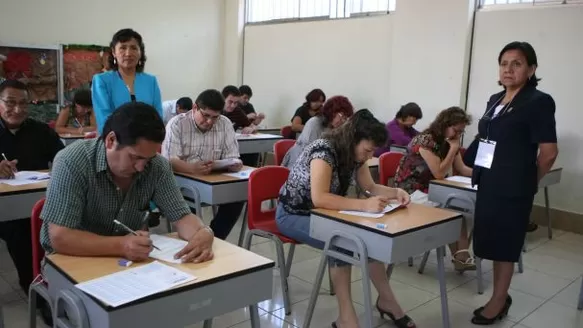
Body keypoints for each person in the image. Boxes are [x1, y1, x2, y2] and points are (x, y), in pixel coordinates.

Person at [276, 109, 416, 328]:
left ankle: (388, 301)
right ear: (353, 139)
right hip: (293, 214)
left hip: (326, 215)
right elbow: (320, 197)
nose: (370, 156)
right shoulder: (324, 149)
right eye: (368, 150)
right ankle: (345, 317)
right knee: (342, 242)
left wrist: (395, 192)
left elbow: (369, 186)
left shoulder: (354, 155)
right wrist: (364, 205)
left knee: (367, 237)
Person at [40, 101, 214, 265]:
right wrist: (121, 245)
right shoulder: (72, 161)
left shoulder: (156, 166)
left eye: (147, 159)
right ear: (111, 140)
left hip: (128, 265)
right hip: (73, 261)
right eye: (135, 157)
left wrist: (203, 233)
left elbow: (181, 216)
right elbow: (60, 237)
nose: (140, 167)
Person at [470, 41, 558, 325]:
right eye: (504, 63)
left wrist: (527, 184)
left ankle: (499, 300)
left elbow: (548, 153)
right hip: (489, 183)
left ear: (531, 69)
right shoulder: (495, 99)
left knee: (505, 245)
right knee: (491, 242)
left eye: (516, 63)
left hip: (513, 188)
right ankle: (499, 295)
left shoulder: (538, 101)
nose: (508, 69)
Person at [0, 79, 64, 325]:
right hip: (8, 210)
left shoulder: (40, 130)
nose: (17, 109)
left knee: (60, 228)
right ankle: (36, 288)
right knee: (22, 232)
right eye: (10, 102)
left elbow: (62, 158)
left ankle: (59, 285)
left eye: (23, 103)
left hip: (40, 201)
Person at [394, 107, 475, 272]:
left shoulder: (449, 141)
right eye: (456, 130)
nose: (457, 135)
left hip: (433, 189)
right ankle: (461, 256)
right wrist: (453, 149)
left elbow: (463, 169)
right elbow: (438, 173)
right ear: (445, 124)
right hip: (411, 191)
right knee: (453, 211)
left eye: (461, 132)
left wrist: (487, 175)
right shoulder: (425, 141)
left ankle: (461, 255)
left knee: (461, 208)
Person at [162, 89, 246, 240]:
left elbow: (232, 156)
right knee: (189, 209)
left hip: (212, 179)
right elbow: (169, 160)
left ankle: (215, 237)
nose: (209, 122)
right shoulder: (177, 124)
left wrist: (232, 163)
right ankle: (196, 238)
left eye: (215, 117)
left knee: (237, 197)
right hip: (183, 181)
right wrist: (191, 168)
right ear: (195, 108)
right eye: (206, 115)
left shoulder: (224, 123)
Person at [92, 28, 163, 134]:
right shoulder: (101, 80)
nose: (128, 53)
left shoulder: (151, 81)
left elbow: (158, 116)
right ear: (114, 52)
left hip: (147, 142)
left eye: (134, 48)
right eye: (123, 48)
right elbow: (104, 119)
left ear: (140, 53)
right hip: (115, 144)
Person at [282, 95, 354, 168]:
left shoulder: (337, 128)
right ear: (332, 111)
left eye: (345, 118)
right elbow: (310, 154)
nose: (342, 121)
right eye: (341, 116)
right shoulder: (314, 123)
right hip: (299, 164)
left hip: (321, 164)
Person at [221, 85, 260, 166]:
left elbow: (253, 126)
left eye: (236, 103)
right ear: (223, 99)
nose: (233, 106)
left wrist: (251, 129)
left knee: (252, 151)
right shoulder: (215, 110)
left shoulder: (237, 111)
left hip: (230, 145)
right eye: (230, 102)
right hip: (216, 144)